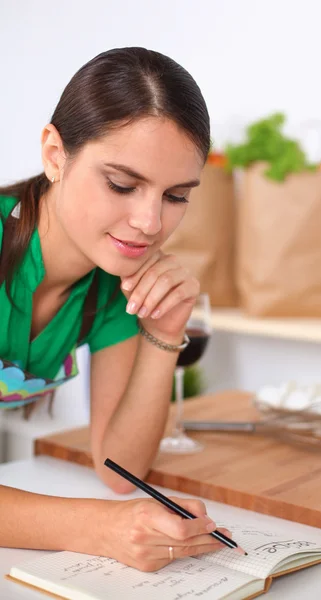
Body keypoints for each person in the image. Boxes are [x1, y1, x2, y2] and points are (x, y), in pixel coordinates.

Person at [0, 46, 232, 572]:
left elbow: (119, 469)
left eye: (175, 195)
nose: (150, 223)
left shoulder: (112, 283)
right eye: (122, 185)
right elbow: (111, 504)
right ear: (55, 156)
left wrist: (164, 330)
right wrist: (101, 529)